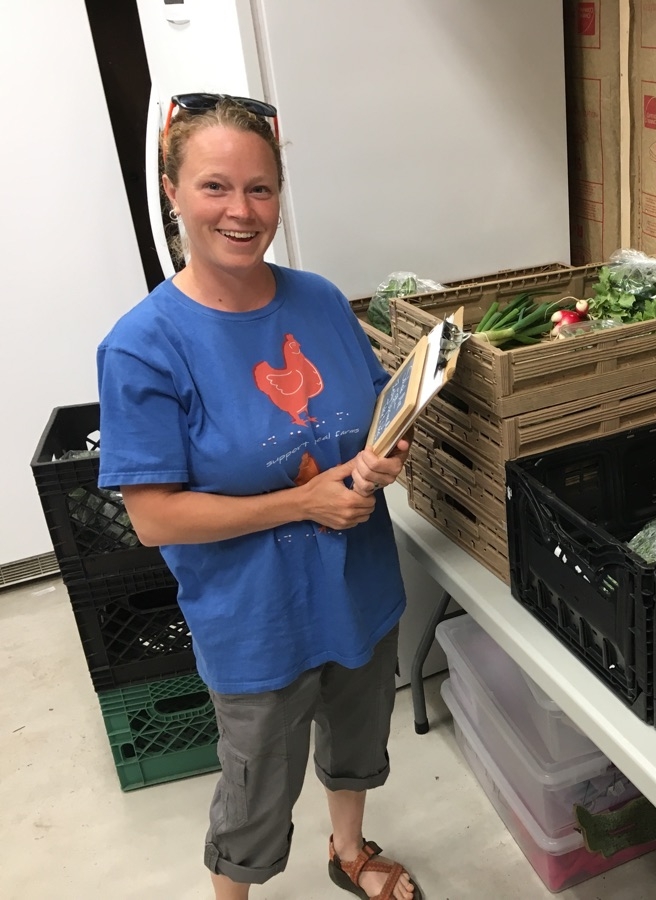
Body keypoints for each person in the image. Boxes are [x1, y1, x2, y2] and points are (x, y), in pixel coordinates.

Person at [96, 93, 422, 900]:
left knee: (357, 739)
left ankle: (349, 851)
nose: (241, 212)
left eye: (261, 189)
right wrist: (304, 505)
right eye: (215, 187)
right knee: (254, 792)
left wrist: (385, 455)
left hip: (359, 588)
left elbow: (377, 409)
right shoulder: (144, 345)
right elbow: (153, 516)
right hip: (257, 620)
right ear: (171, 191)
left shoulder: (316, 299)